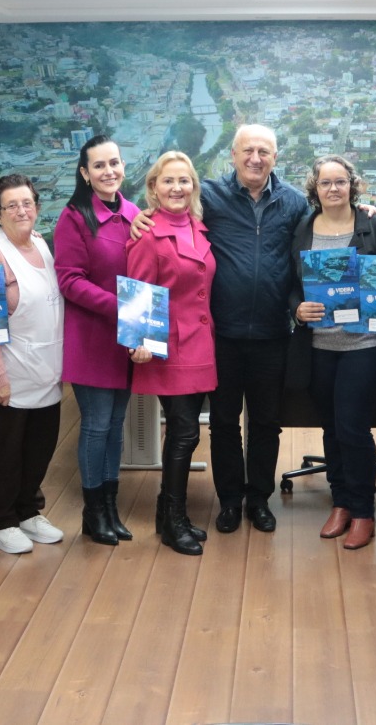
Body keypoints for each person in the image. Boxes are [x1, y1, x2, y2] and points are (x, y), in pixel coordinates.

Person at [289, 155, 376, 550]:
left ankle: (363, 511)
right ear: (315, 188)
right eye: (325, 182)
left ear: (352, 185)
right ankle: (340, 503)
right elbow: (291, 283)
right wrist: (296, 309)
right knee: (331, 427)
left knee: (352, 428)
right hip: (319, 346)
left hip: (365, 344)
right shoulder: (303, 228)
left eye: (340, 181)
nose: (333, 189)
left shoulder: (374, 225)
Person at [198, 125, 308, 533]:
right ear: (233, 155)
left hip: (272, 333)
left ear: (275, 158)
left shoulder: (294, 202)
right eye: (248, 150)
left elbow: (326, 230)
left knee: (265, 423)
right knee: (224, 422)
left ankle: (259, 499)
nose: (255, 159)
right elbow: (167, 211)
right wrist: (142, 220)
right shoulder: (209, 196)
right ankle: (229, 500)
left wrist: (370, 211)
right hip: (222, 333)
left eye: (264, 151)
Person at [127, 151, 217, 555]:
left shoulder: (199, 227)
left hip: (201, 342)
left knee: (185, 432)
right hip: (169, 347)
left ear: (193, 186)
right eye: (168, 180)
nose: (177, 188)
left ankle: (168, 515)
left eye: (184, 180)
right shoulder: (147, 234)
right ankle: (174, 521)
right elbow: (139, 287)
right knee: (184, 432)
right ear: (153, 187)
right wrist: (139, 341)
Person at [54, 135, 141, 546]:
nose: (109, 171)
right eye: (99, 165)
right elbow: (69, 281)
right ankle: (93, 512)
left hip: (126, 339)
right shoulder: (73, 218)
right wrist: (122, 307)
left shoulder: (134, 213)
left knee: (116, 426)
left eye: (114, 163)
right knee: (96, 425)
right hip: (91, 338)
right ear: (85, 173)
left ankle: (110, 508)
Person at [0, 174, 66, 554]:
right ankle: (1, 522)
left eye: (27, 203)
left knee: (40, 446)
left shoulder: (42, 244)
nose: (21, 211)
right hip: (9, 372)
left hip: (47, 369)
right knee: (6, 451)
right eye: (11, 205)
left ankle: (28, 511)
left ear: (37, 207)